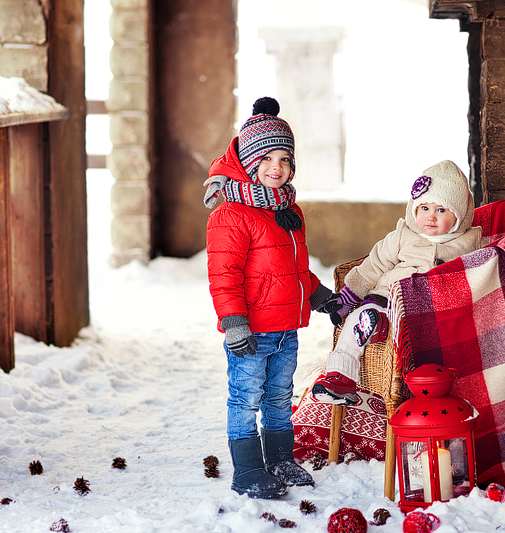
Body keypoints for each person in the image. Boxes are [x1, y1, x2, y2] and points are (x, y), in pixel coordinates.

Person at [204, 97, 334, 499]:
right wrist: (233, 323)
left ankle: (279, 459)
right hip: (251, 331)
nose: (276, 167)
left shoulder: (286, 209)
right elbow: (223, 276)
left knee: (279, 397)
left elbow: (291, 270)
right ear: (248, 162)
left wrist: (321, 296)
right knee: (246, 399)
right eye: (266, 159)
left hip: (284, 330)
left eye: (284, 158)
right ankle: (247, 470)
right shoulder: (231, 215)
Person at [314, 160, 485, 405]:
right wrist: (347, 298)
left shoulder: (468, 244)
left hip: (427, 312)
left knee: (417, 330)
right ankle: (340, 376)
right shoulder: (403, 236)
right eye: (424, 208)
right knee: (357, 319)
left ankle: (384, 327)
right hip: (385, 298)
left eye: (441, 210)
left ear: (459, 215)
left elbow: (478, 276)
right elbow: (373, 265)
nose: (431, 217)